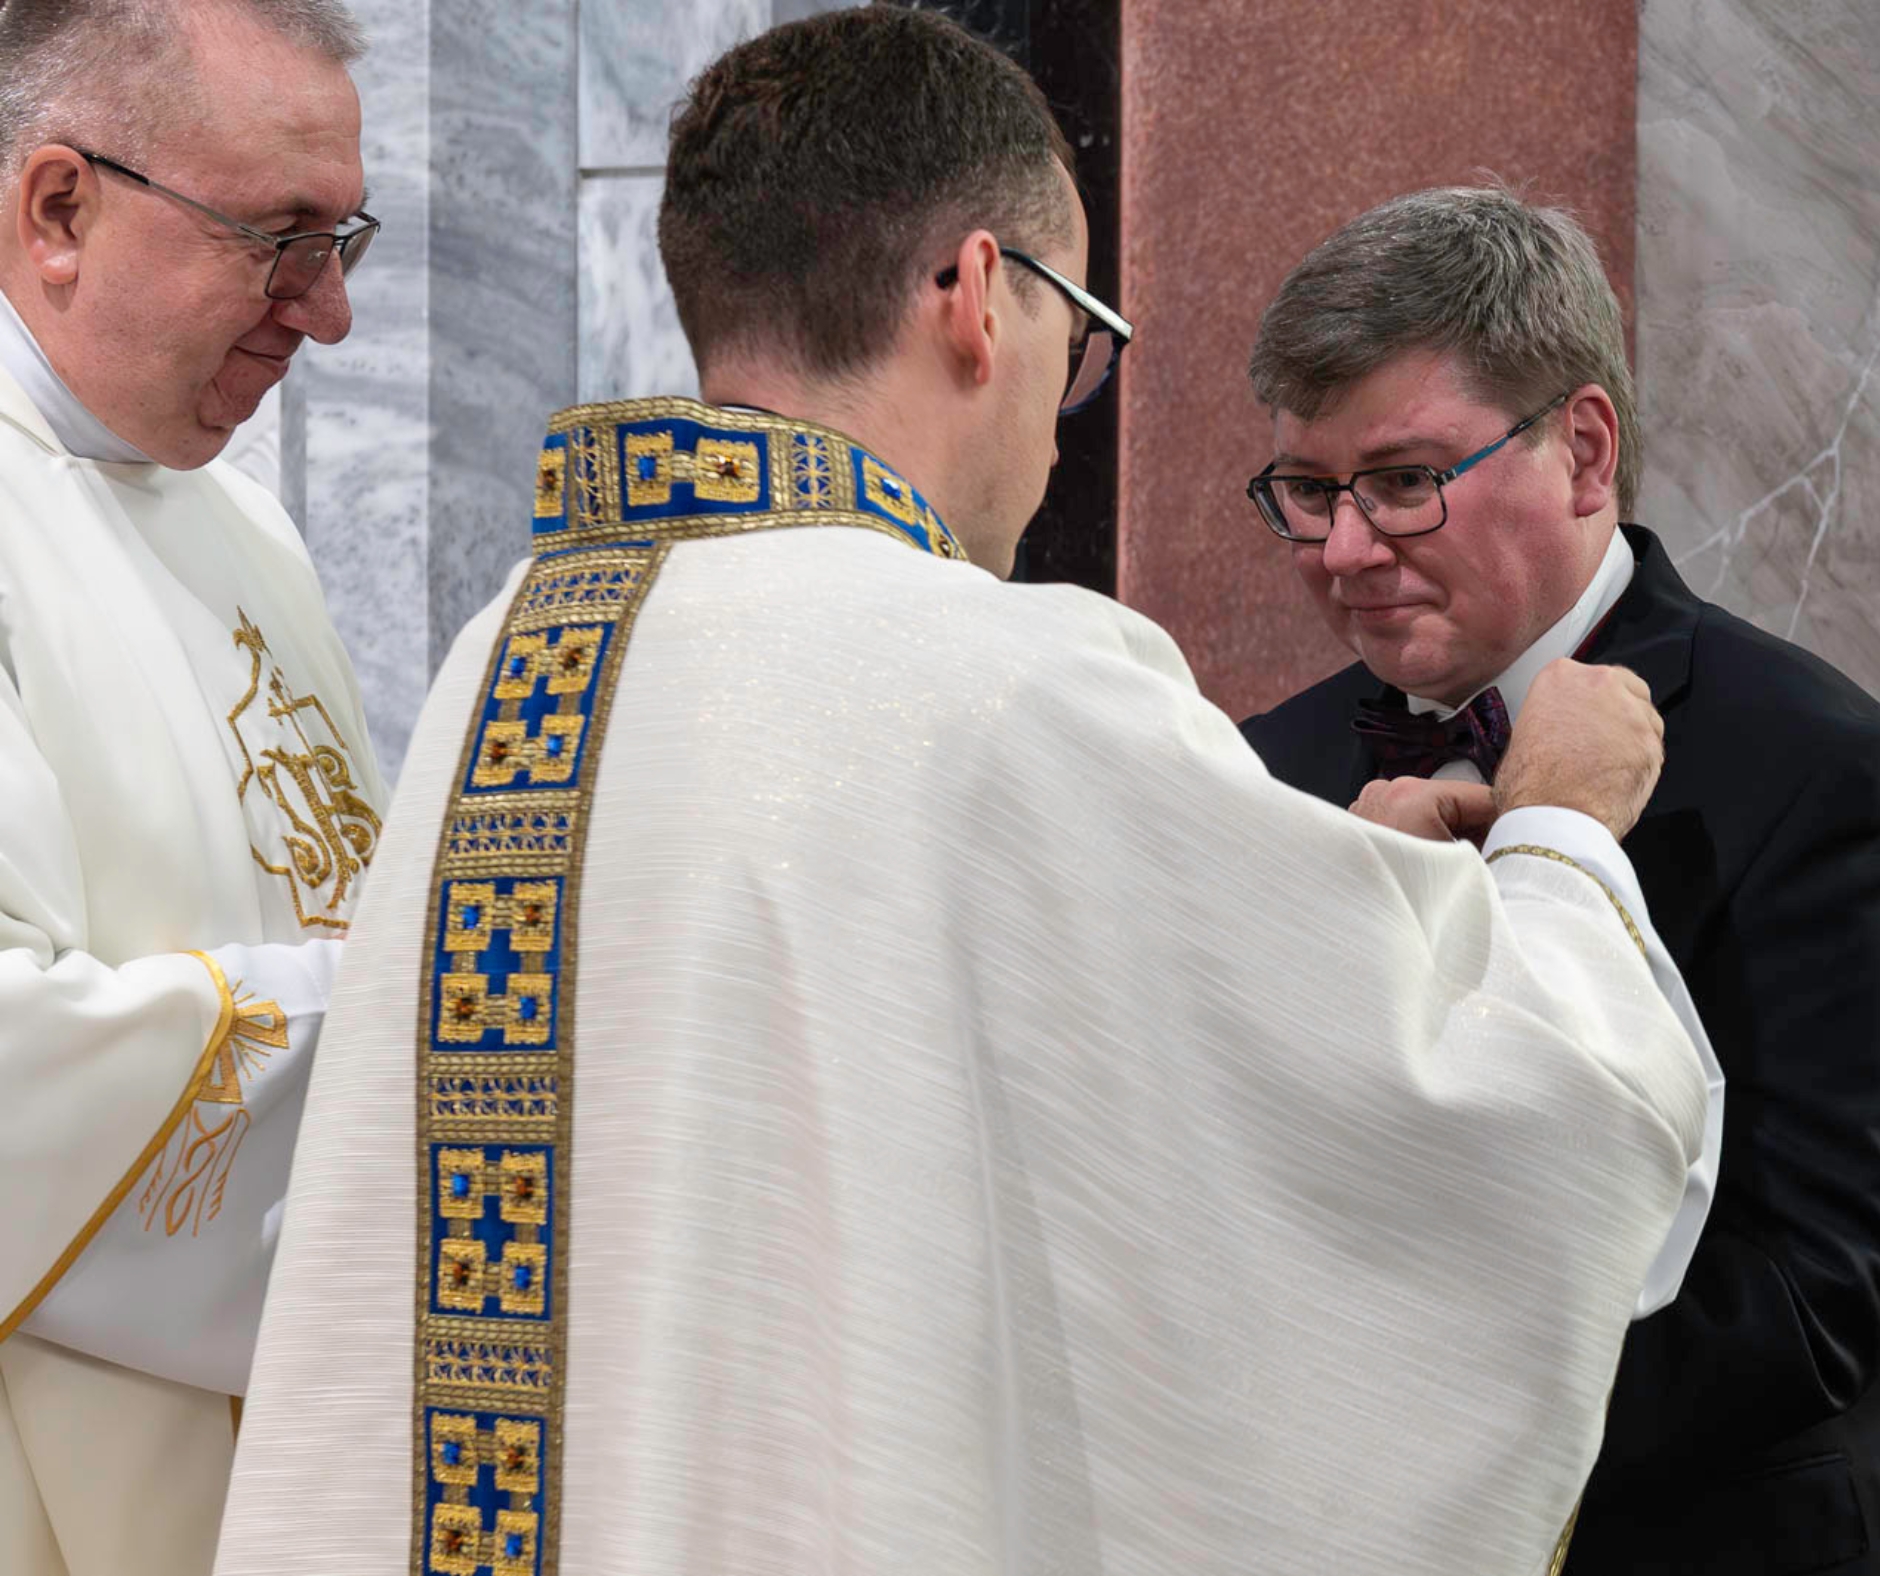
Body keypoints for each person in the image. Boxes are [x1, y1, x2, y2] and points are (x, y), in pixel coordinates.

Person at [217, 12, 1715, 1575]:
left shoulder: (512, 659)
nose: (1061, 425)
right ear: (980, 294)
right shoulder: (1006, 674)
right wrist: (1559, 831)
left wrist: (1328, 886)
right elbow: (1493, 1126)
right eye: (1081, 341)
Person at [1239, 184, 1880, 1575]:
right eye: (1310, 491)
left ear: (1584, 450)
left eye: (1403, 480)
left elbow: (1812, 1294)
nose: (1344, 550)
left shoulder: (1818, 761)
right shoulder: (1258, 769)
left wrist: (1405, 1434)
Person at [0, 2, 385, 1573]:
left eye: (343, 240)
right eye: (281, 241)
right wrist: (442, 1014)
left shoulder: (248, 532)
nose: (330, 313)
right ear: (59, 209)